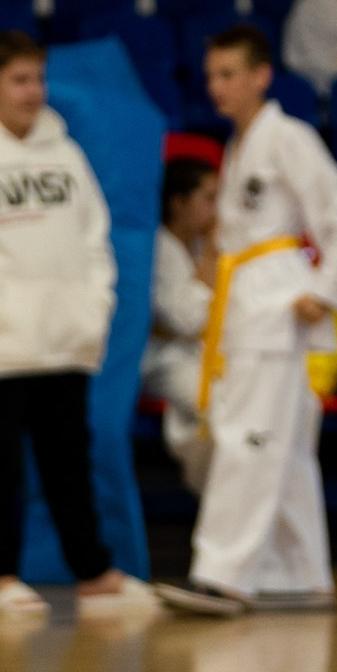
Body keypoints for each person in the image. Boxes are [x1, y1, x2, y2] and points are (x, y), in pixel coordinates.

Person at [0, 30, 151, 617]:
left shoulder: (66, 156)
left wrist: (91, 314)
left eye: (39, 79)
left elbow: (96, 241)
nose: (33, 92)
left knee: (72, 464)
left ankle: (93, 571)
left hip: (62, 342)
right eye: (20, 81)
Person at [157, 26, 337, 617]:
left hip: (274, 306)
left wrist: (324, 292)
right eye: (212, 76)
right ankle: (301, 571)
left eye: (228, 74)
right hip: (248, 301)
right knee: (287, 444)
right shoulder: (243, 143)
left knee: (244, 439)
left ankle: (222, 574)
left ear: (260, 75)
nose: (217, 87)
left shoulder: (286, 137)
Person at [143, 155, 218, 492]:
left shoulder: (203, 245)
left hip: (206, 353)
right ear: (178, 202)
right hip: (163, 359)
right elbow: (189, 320)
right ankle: (215, 497)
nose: (217, 209)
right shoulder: (157, 248)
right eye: (209, 198)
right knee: (219, 406)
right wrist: (212, 259)